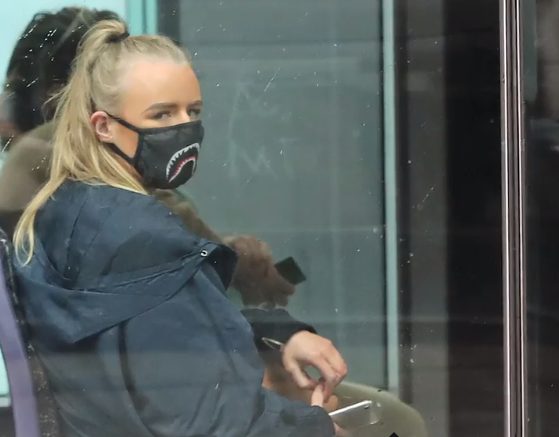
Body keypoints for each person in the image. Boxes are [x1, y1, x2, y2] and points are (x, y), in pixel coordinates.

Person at [0, 7, 347, 409]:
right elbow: (185, 384)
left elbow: (166, 303)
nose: (183, 128)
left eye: (192, 111)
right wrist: (311, 423)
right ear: (98, 115)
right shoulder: (122, 219)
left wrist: (277, 329)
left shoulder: (68, 199)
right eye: (161, 112)